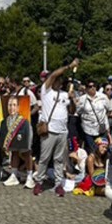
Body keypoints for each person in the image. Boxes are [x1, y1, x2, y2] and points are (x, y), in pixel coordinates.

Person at [33, 59, 78, 197]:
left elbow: (71, 110)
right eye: (57, 79)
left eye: (60, 80)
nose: (58, 82)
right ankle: (39, 182)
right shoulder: (45, 91)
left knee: (59, 159)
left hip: (62, 131)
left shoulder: (64, 94)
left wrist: (72, 99)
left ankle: (59, 184)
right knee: (45, 158)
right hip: (49, 130)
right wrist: (70, 66)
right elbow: (52, 75)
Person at [0, 97, 34, 188]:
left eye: (14, 105)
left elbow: (28, 132)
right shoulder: (5, 121)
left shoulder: (24, 121)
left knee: (26, 153)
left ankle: (30, 176)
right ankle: (14, 175)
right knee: (14, 153)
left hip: (23, 140)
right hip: (14, 142)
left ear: (18, 107)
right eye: (10, 105)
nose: (11, 108)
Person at [75, 80, 112, 152]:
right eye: (90, 86)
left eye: (94, 86)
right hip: (88, 129)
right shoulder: (82, 99)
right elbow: (78, 112)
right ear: (86, 88)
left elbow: (108, 110)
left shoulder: (103, 97)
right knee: (92, 150)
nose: (92, 88)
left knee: (103, 150)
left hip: (101, 128)